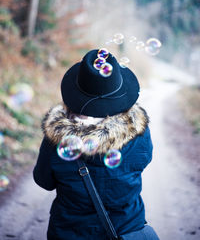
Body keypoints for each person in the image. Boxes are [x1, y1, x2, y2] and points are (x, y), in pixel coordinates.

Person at [33, 49, 160, 240]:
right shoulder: (139, 133)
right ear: (119, 91)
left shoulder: (56, 138)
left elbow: (44, 181)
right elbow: (144, 160)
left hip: (70, 233)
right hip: (126, 230)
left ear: (75, 92)